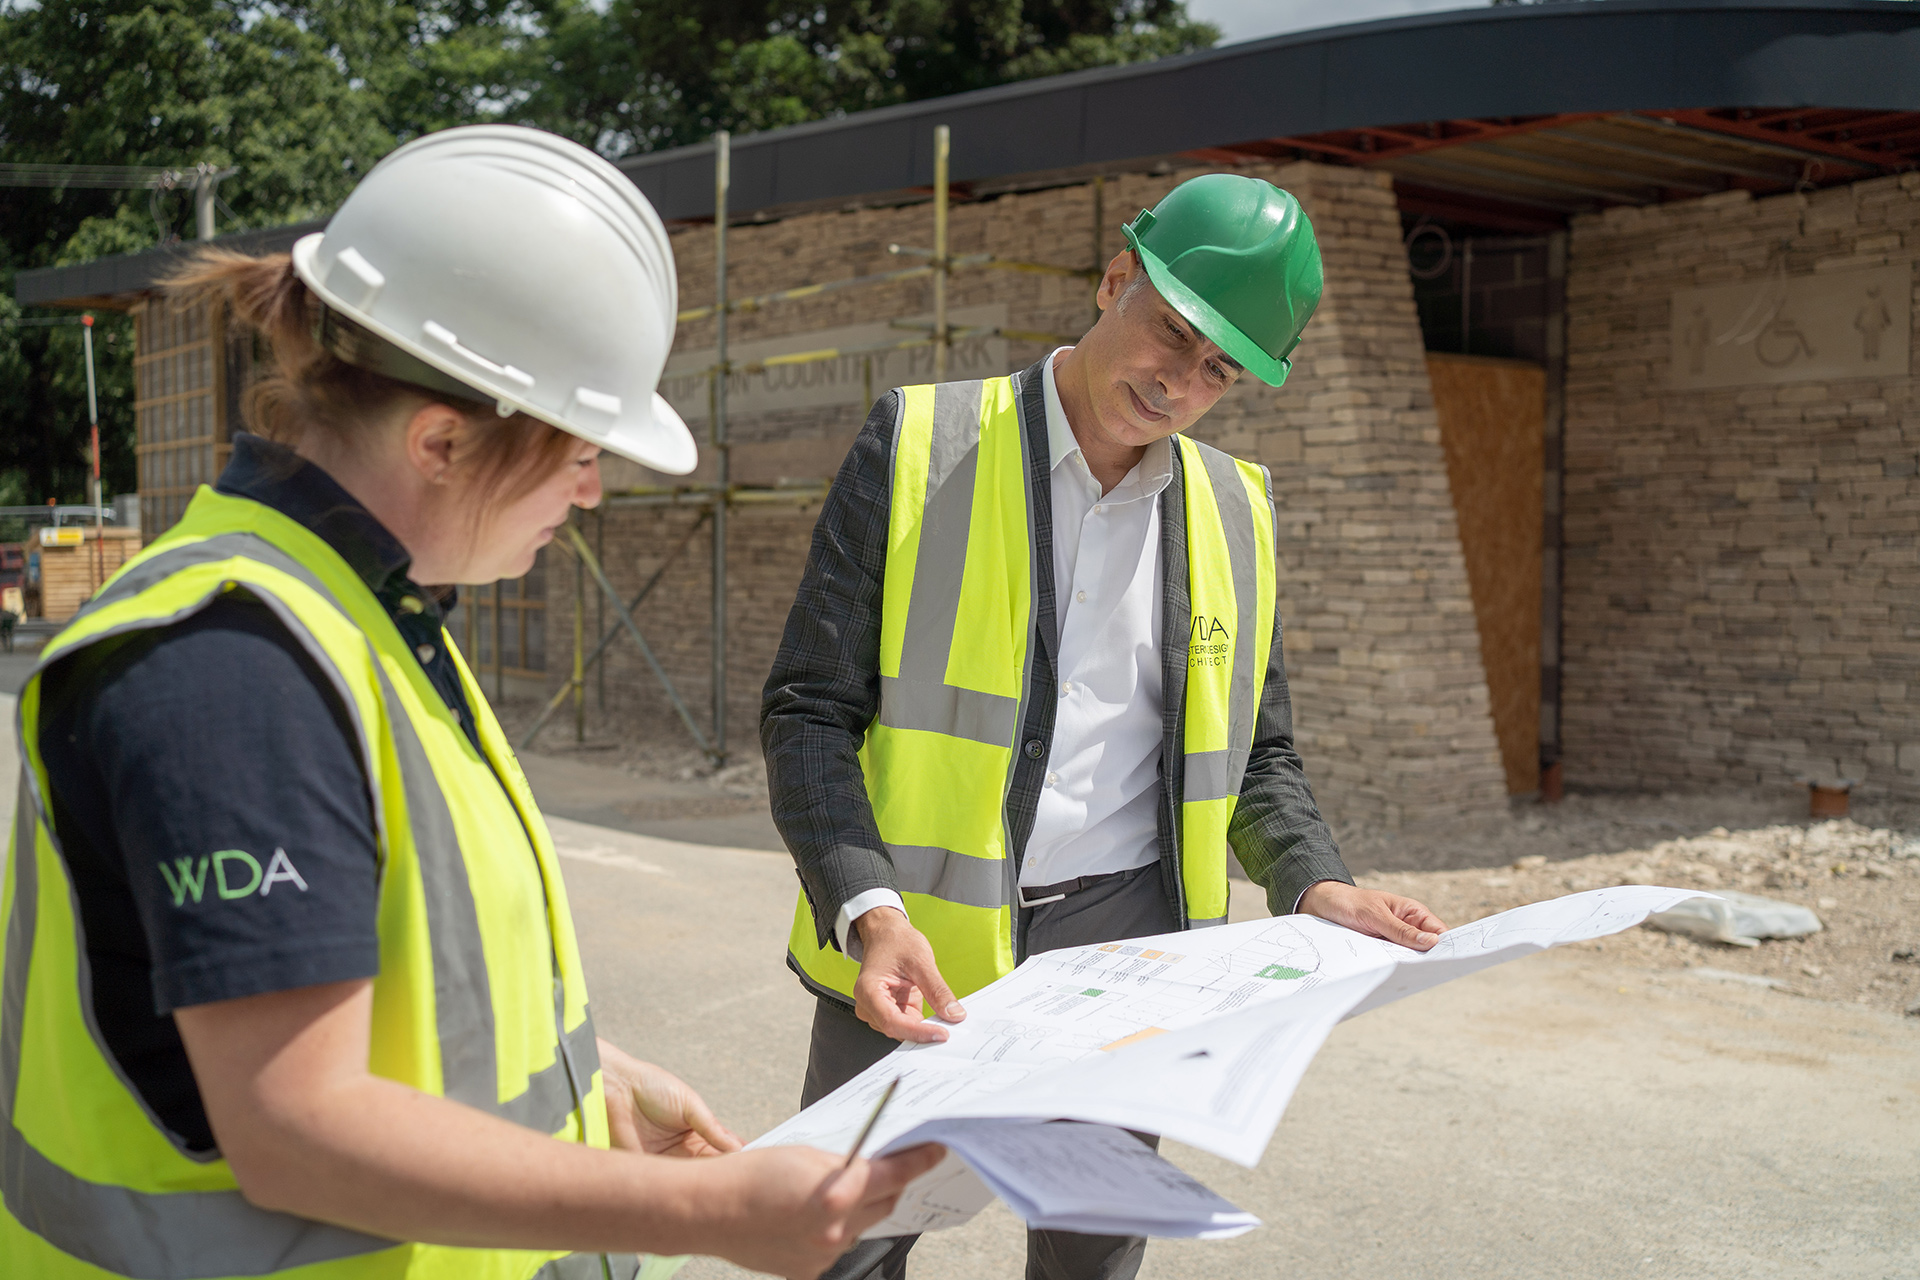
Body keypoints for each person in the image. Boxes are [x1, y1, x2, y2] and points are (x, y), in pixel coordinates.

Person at [0, 125, 941, 1280]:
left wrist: (578, 1080)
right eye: (578, 448)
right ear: (441, 437)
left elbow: (415, 993)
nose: (593, 489)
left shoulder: (361, 617)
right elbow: (298, 1127)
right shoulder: (230, 671)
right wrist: (689, 1210)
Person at [762, 173, 1450, 1280]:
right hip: (911, 941)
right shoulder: (924, 440)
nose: (1180, 382)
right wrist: (866, 906)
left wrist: (1314, 878)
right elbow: (808, 707)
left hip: (1127, 953)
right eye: (1171, 334)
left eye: (1220, 367)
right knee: (850, 1244)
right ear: (1115, 278)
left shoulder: (1236, 512)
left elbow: (1255, 755)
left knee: (1090, 1258)